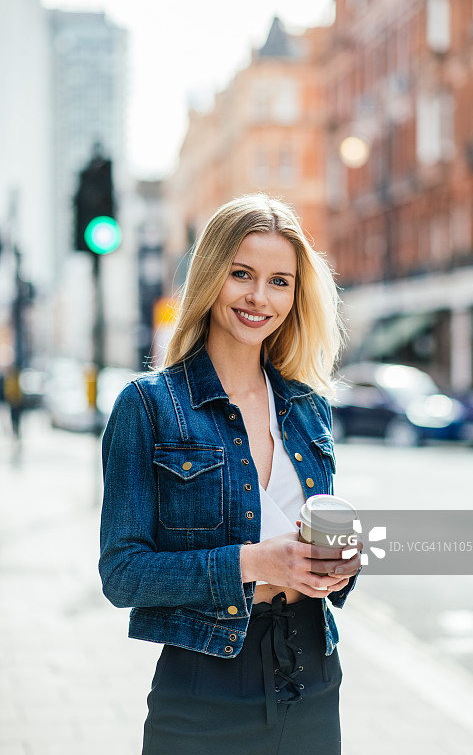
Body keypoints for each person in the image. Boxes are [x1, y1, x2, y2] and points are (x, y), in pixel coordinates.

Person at [99, 194, 361, 755]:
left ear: (296, 294)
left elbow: (315, 541)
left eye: (279, 281)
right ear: (211, 275)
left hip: (311, 672)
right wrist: (257, 561)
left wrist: (340, 564)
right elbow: (123, 574)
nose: (258, 297)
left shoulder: (307, 406)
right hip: (204, 689)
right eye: (241, 274)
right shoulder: (148, 406)